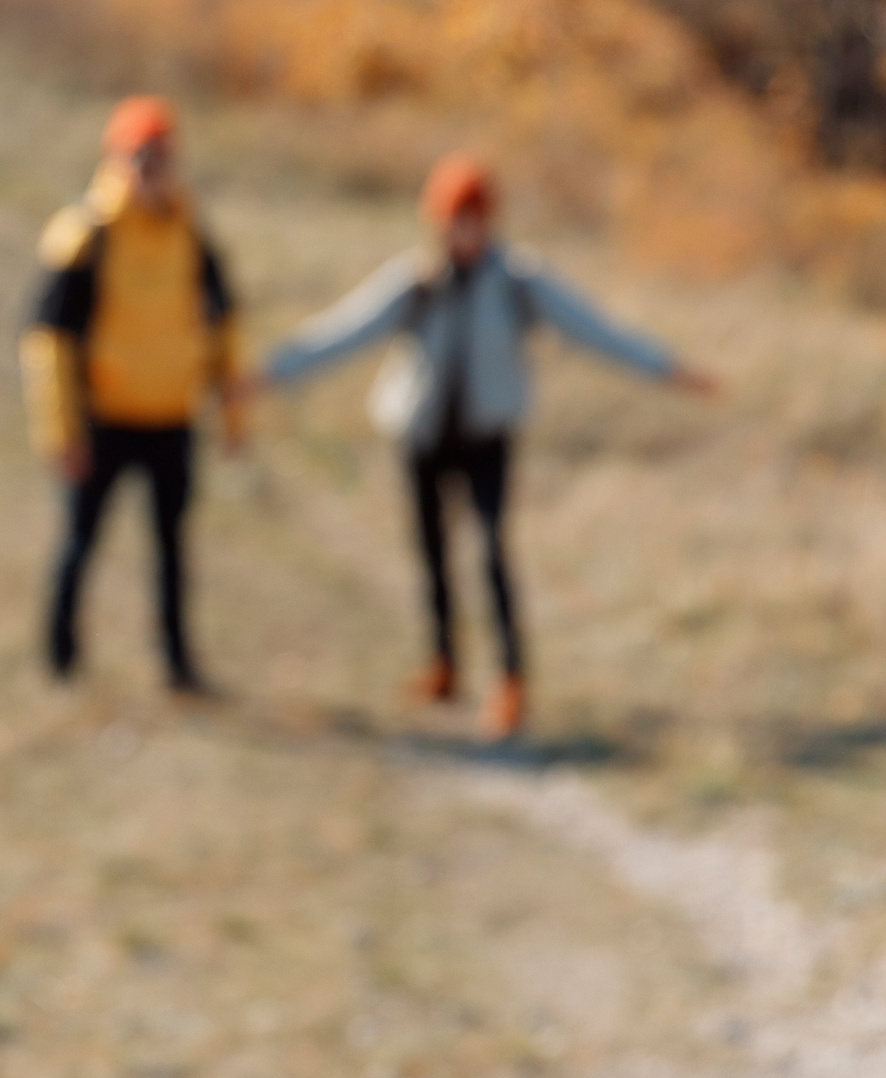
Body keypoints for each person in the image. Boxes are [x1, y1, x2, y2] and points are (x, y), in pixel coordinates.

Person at [261, 154, 717, 738]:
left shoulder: (520, 282)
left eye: (472, 220)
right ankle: (444, 664)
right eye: (453, 221)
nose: (463, 233)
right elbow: (344, 332)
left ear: (490, 221)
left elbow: (592, 329)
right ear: (436, 223)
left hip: (486, 438)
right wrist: (270, 374)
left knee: (492, 556)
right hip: (422, 435)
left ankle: (510, 681)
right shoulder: (417, 282)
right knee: (431, 555)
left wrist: (665, 369)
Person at [20, 95, 247, 694]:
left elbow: (225, 322)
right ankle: (61, 656)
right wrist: (59, 428)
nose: (152, 171)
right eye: (141, 159)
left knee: (173, 549)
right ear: (116, 161)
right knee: (80, 541)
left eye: (162, 159)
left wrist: (233, 407)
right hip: (103, 417)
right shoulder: (85, 236)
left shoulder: (190, 234)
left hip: (171, 416)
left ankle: (177, 662)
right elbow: (49, 340)